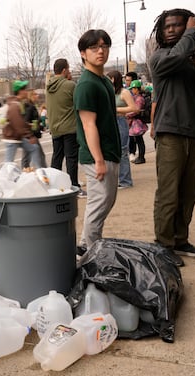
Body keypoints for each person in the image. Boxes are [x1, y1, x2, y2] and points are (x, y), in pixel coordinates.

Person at [149, 8, 195, 267]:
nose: (174, 30)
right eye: (170, 27)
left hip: (194, 134)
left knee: (188, 193)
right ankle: (163, 245)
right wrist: (191, 31)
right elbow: (175, 57)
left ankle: (180, 239)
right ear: (162, 33)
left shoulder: (188, 60)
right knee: (168, 193)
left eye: (180, 26)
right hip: (170, 135)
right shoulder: (161, 58)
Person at [74, 29, 120, 254]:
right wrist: (99, 159)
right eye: (94, 48)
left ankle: (86, 247)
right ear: (83, 53)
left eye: (104, 46)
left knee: (104, 203)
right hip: (97, 157)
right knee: (98, 206)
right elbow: (88, 124)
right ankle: (90, 255)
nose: (100, 51)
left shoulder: (102, 80)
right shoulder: (86, 84)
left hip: (109, 152)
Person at [46, 58, 82, 192]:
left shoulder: (48, 86)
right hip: (69, 128)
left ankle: (54, 187)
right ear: (64, 70)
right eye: (69, 68)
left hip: (55, 128)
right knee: (71, 159)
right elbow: (79, 104)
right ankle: (74, 186)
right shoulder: (70, 85)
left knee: (57, 158)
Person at [106, 70, 137, 189]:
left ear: (114, 79)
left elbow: (134, 108)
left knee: (123, 151)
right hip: (110, 122)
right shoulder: (109, 91)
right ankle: (118, 179)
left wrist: (116, 109)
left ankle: (125, 181)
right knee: (112, 152)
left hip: (120, 121)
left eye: (109, 78)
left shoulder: (124, 92)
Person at [2, 81, 41, 168]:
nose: (26, 91)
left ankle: (39, 171)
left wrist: (28, 126)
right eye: (24, 89)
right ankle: (4, 179)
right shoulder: (15, 105)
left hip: (16, 136)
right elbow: (18, 124)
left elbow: (21, 122)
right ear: (20, 91)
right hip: (11, 138)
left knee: (34, 148)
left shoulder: (18, 103)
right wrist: (30, 136)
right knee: (8, 165)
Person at [22, 89, 47, 168]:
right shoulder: (29, 107)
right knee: (39, 156)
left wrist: (41, 127)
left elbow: (35, 120)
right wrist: (35, 126)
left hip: (30, 135)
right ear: (31, 96)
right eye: (35, 94)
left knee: (27, 157)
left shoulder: (31, 106)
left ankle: (24, 172)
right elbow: (26, 121)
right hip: (31, 136)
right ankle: (44, 173)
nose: (38, 96)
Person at [127, 80, 148, 164]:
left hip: (137, 122)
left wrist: (127, 114)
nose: (132, 90)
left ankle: (141, 157)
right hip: (136, 122)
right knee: (138, 140)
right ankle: (140, 157)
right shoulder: (137, 97)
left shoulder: (139, 99)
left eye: (133, 88)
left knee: (139, 140)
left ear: (136, 88)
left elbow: (136, 110)